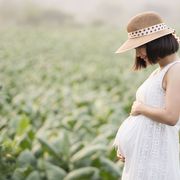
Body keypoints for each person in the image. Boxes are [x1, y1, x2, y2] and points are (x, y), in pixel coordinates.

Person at [113, 11, 180, 180]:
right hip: (145, 156)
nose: (138, 54)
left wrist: (140, 107)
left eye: (139, 47)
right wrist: (130, 147)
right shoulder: (161, 71)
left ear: (155, 43)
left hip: (155, 157)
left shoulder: (176, 70)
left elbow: (171, 117)